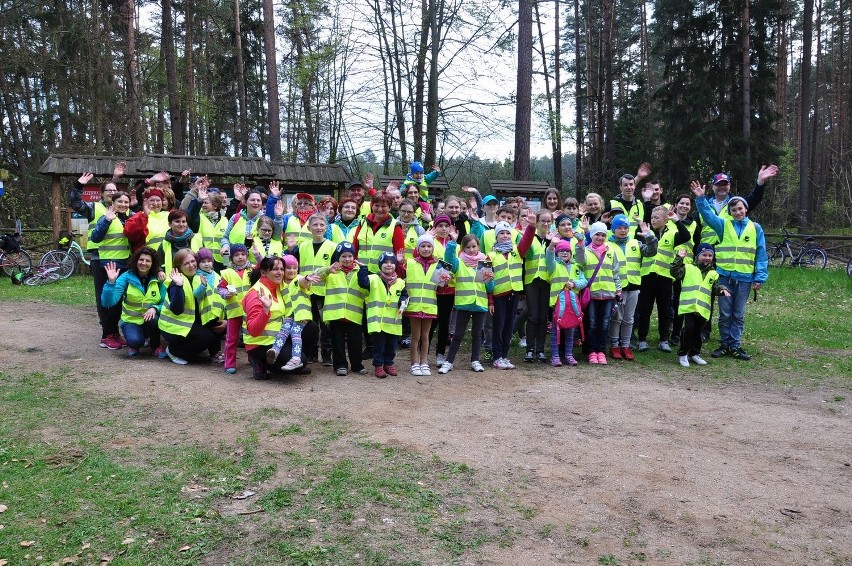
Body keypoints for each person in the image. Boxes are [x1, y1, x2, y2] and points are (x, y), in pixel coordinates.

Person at [692, 181, 768, 360]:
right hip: (725, 277)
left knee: (738, 314)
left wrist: (760, 277)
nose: (737, 212)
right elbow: (708, 216)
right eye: (734, 210)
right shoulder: (723, 225)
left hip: (745, 278)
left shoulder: (756, 228)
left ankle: (735, 345)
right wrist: (701, 198)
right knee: (725, 314)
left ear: (746, 209)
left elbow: (761, 254)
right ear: (730, 212)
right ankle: (724, 344)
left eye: (740, 209)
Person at [70, 165, 125, 349]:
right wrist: (79, 185)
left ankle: (114, 332)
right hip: (99, 257)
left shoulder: (123, 208)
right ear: (101, 194)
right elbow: (76, 204)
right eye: (108, 191)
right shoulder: (94, 208)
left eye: (114, 190)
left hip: (120, 259)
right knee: (104, 297)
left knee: (117, 297)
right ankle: (106, 333)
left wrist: (115, 178)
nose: (112, 193)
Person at [242, 256, 316, 380]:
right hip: (259, 343)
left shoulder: (279, 287)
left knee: (311, 327)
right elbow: (253, 331)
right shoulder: (256, 294)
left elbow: (299, 282)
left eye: (282, 269)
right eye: (275, 269)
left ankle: (295, 364)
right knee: (300, 361)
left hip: (278, 338)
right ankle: (259, 360)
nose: (280, 272)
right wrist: (265, 311)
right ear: (263, 272)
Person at [635, 206, 691, 353]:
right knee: (644, 309)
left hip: (665, 278)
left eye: (657, 218)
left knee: (664, 310)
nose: (653, 220)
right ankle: (642, 340)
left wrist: (677, 221)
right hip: (647, 276)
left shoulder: (672, 233)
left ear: (666, 219)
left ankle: (664, 340)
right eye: (652, 218)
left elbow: (686, 237)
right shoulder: (646, 232)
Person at [437, 234, 494, 374]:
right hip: (463, 304)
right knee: (458, 334)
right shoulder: (459, 262)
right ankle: (449, 361)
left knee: (476, 334)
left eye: (474, 246)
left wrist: (491, 280)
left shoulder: (484, 262)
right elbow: (448, 259)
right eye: (467, 247)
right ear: (462, 248)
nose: (471, 249)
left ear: (478, 247)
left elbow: (489, 288)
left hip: (480, 304)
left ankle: (475, 360)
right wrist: (453, 242)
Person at [158, 248, 222, 365]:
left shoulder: (199, 277)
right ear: (179, 267)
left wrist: (224, 320)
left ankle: (213, 353)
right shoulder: (176, 281)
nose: (191, 265)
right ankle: (174, 351)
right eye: (186, 263)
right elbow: (177, 310)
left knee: (217, 327)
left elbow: (214, 301)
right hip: (173, 326)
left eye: (193, 261)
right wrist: (178, 286)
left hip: (188, 322)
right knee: (207, 338)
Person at [606, 214, 657, 360]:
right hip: (617, 288)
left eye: (625, 228)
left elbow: (651, 251)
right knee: (617, 318)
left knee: (629, 319)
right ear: (613, 229)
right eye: (619, 228)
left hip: (634, 286)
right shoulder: (608, 245)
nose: (622, 231)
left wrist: (649, 237)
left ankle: (626, 346)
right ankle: (614, 346)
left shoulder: (635, 243)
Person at [670, 245, 730, 367]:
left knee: (698, 331)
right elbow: (675, 272)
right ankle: (683, 354)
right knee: (689, 328)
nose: (707, 258)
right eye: (704, 255)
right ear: (698, 256)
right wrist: (678, 259)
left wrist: (722, 289)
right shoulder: (688, 268)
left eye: (710, 255)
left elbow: (715, 287)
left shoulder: (713, 273)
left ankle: (694, 353)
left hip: (703, 308)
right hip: (689, 306)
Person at [101, 247, 166, 357]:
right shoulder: (126, 277)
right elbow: (107, 303)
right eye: (141, 260)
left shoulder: (158, 279)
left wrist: (155, 308)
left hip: (150, 319)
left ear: (153, 263)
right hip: (131, 320)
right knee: (136, 341)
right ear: (136, 260)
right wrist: (111, 283)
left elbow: (165, 302)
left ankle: (156, 346)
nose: (144, 263)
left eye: (148, 261)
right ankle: (134, 343)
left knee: (154, 320)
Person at [89, 191, 133, 349]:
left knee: (118, 302)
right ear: (112, 203)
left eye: (126, 202)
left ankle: (114, 334)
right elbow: (95, 238)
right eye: (120, 202)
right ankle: (106, 336)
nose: (123, 205)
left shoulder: (126, 218)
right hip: (109, 266)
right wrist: (106, 220)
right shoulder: (107, 217)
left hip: (124, 265)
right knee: (110, 302)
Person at [293, 213, 336, 365]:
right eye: (315, 225)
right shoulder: (302, 246)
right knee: (309, 324)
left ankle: (326, 354)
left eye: (322, 225)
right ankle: (310, 353)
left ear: (326, 227)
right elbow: (296, 269)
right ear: (309, 227)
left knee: (326, 325)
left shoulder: (332, 247)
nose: (318, 228)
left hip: (325, 292)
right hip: (306, 292)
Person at [698, 165, 779, 245]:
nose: (722, 187)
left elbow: (755, 198)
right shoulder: (703, 206)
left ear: (729, 186)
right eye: (719, 185)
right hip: (706, 254)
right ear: (712, 186)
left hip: (729, 253)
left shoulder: (738, 204)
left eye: (725, 184)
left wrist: (760, 182)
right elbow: (696, 232)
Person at [358, 252, 408, 378]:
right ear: (380, 265)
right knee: (378, 346)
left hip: (393, 321)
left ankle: (389, 364)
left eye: (392, 262)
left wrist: (403, 302)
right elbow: (363, 283)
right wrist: (363, 269)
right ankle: (379, 366)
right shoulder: (374, 279)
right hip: (378, 321)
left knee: (392, 346)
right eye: (385, 262)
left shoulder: (400, 282)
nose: (389, 265)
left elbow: (404, 296)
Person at [322, 242, 368, 376]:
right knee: (337, 342)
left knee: (356, 342)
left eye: (350, 256)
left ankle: (357, 365)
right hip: (336, 314)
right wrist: (327, 269)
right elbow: (317, 276)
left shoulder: (359, 270)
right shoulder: (332, 271)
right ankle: (340, 365)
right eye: (343, 256)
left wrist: (364, 271)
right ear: (338, 257)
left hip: (354, 313)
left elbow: (367, 285)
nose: (347, 259)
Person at [265, 255, 317, 372]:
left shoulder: (297, 278)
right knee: (284, 331)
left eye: (295, 268)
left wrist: (307, 278)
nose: (292, 271)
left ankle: (296, 358)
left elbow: (303, 282)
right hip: (289, 315)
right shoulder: (281, 283)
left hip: (301, 314)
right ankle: (275, 351)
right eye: (288, 268)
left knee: (295, 332)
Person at [580, 222, 621, 364]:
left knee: (604, 324)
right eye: (597, 234)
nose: (600, 237)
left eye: (603, 235)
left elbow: (616, 273)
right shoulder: (585, 251)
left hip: (608, 294)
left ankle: (601, 351)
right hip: (591, 294)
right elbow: (579, 261)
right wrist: (580, 244)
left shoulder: (611, 252)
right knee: (591, 323)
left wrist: (618, 290)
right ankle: (591, 351)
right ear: (592, 235)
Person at [517, 209, 554, 362]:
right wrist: (530, 228)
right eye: (542, 221)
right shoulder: (529, 237)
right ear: (537, 222)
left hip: (547, 282)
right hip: (531, 280)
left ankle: (540, 350)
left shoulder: (554, 239)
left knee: (543, 317)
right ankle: (530, 349)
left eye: (548, 221)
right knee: (532, 316)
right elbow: (522, 251)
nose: (545, 223)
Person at [405, 233, 442, 376]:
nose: (426, 249)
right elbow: (403, 277)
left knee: (426, 336)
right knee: (415, 336)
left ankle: (424, 362)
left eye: (429, 246)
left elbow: (441, 286)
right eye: (423, 246)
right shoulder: (411, 263)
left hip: (429, 306)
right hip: (414, 305)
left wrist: (445, 279)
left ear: (432, 248)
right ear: (418, 248)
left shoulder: (438, 265)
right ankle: (414, 363)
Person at [546, 238, 587, 366]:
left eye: (567, 251)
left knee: (570, 331)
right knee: (556, 331)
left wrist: (574, 283)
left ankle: (569, 355)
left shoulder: (576, 266)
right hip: (558, 304)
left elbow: (584, 281)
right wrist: (552, 246)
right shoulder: (554, 266)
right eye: (561, 251)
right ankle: (555, 356)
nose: (564, 253)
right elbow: (549, 257)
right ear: (557, 253)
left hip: (572, 305)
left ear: (571, 253)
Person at [488, 221, 523, 370]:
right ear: (496, 236)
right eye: (501, 233)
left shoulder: (517, 250)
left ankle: (504, 355)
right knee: (499, 326)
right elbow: (486, 280)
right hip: (498, 295)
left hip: (514, 293)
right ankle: (496, 357)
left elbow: (527, 241)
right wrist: (490, 300)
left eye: (508, 233)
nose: (505, 235)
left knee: (509, 326)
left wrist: (531, 227)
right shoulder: (491, 255)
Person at [217, 244, 252, 374]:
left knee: (250, 336)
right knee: (232, 338)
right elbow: (220, 287)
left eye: (243, 254)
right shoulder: (227, 273)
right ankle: (229, 362)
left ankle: (252, 359)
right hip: (234, 311)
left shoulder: (252, 270)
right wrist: (225, 293)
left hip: (250, 311)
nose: (240, 257)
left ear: (247, 255)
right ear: (232, 258)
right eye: (237, 255)